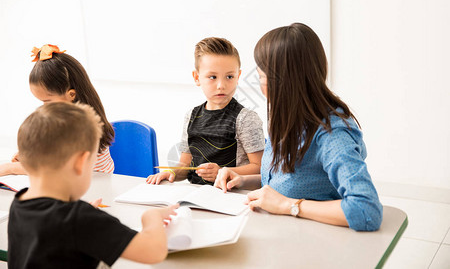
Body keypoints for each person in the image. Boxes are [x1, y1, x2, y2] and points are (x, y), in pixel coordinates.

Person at [214, 23, 383, 231]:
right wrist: (243, 180)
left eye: (261, 76)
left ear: (284, 81)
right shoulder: (289, 118)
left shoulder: (332, 134)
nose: (260, 86)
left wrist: (289, 206)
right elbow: (290, 181)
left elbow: (367, 210)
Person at [7, 102, 178, 268]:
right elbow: (153, 252)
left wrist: (83, 216)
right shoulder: (79, 219)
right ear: (81, 162)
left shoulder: (19, 203)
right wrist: (151, 218)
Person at [147, 37, 265, 185]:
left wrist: (221, 171)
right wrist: (170, 173)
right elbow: (185, 165)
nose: (221, 85)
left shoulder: (246, 118)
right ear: (197, 77)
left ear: (238, 76)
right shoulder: (191, 116)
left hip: (231, 195)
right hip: (196, 195)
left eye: (229, 76)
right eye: (212, 77)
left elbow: (260, 168)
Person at [0, 44, 115, 176]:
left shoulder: (83, 126)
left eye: (47, 101)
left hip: (92, 186)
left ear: (71, 94)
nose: (44, 107)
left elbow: (55, 170)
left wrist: (11, 168)